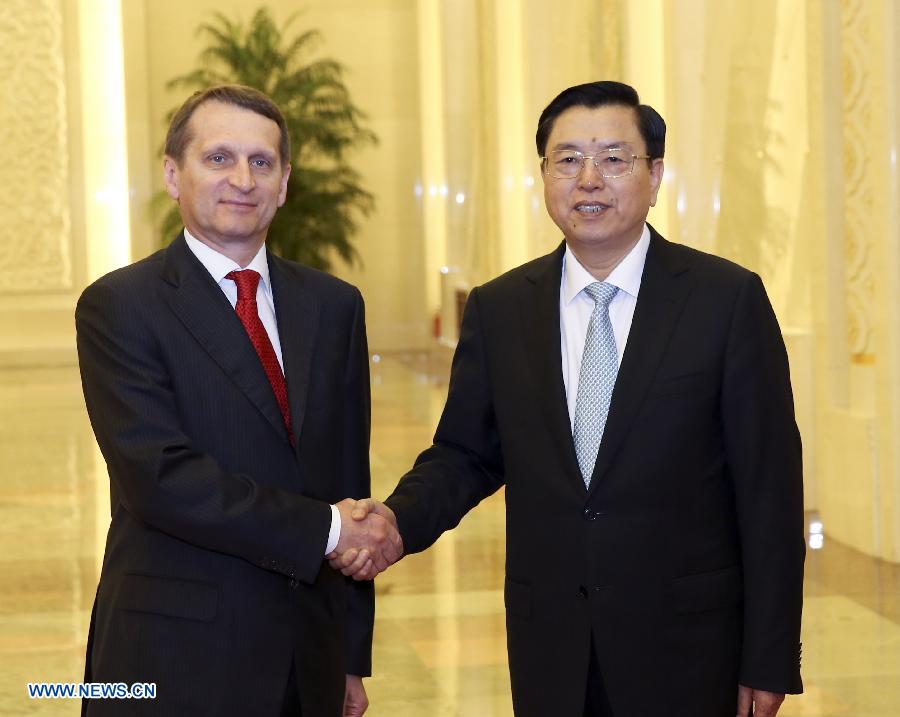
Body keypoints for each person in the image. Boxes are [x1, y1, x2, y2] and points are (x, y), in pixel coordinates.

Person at [332, 81, 804, 717]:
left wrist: (768, 657)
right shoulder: (501, 310)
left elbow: (770, 492)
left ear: (655, 174)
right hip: (552, 645)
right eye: (568, 159)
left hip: (690, 648)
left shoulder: (726, 301)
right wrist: (393, 525)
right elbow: (465, 454)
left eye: (614, 158)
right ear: (544, 177)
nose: (590, 180)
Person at [76, 84, 401, 717]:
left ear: (284, 183)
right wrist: (330, 528)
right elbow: (161, 479)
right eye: (219, 158)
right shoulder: (121, 306)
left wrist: (348, 656)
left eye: (262, 162)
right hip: (173, 653)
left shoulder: (334, 307)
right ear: (174, 174)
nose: (242, 179)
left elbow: (346, 478)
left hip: (305, 656)